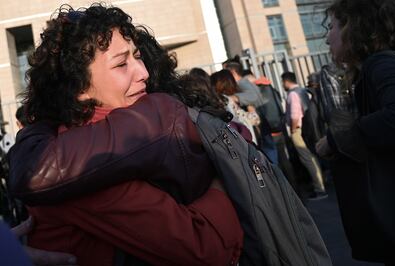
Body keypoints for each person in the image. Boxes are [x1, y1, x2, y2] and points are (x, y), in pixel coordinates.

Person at [7, 4, 243, 265]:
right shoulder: (87, 163)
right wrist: (224, 178)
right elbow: (206, 249)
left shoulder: (106, 136)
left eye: (137, 56)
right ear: (79, 87)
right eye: (121, 64)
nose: (143, 73)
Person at [316, 0, 395, 264]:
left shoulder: (382, 64)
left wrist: (336, 140)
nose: (327, 37)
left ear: (357, 29)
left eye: (333, 27)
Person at [282, 72, 327, 200]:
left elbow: (295, 115)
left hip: (297, 129)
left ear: (286, 81)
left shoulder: (293, 94)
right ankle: (320, 183)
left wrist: (292, 130)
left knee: (307, 158)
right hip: (307, 127)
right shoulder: (302, 90)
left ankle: (319, 188)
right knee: (310, 157)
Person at [224, 62, 278, 164]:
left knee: (268, 154)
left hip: (258, 121)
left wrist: (235, 98)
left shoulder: (242, 83)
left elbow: (253, 96)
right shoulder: (246, 82)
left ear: (233, 72)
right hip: (262, 119)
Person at [210, 69, 260, 143]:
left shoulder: (215, 100)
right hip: (242, 143)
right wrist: (250, 106)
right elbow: (254, 119)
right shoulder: (227, 100)